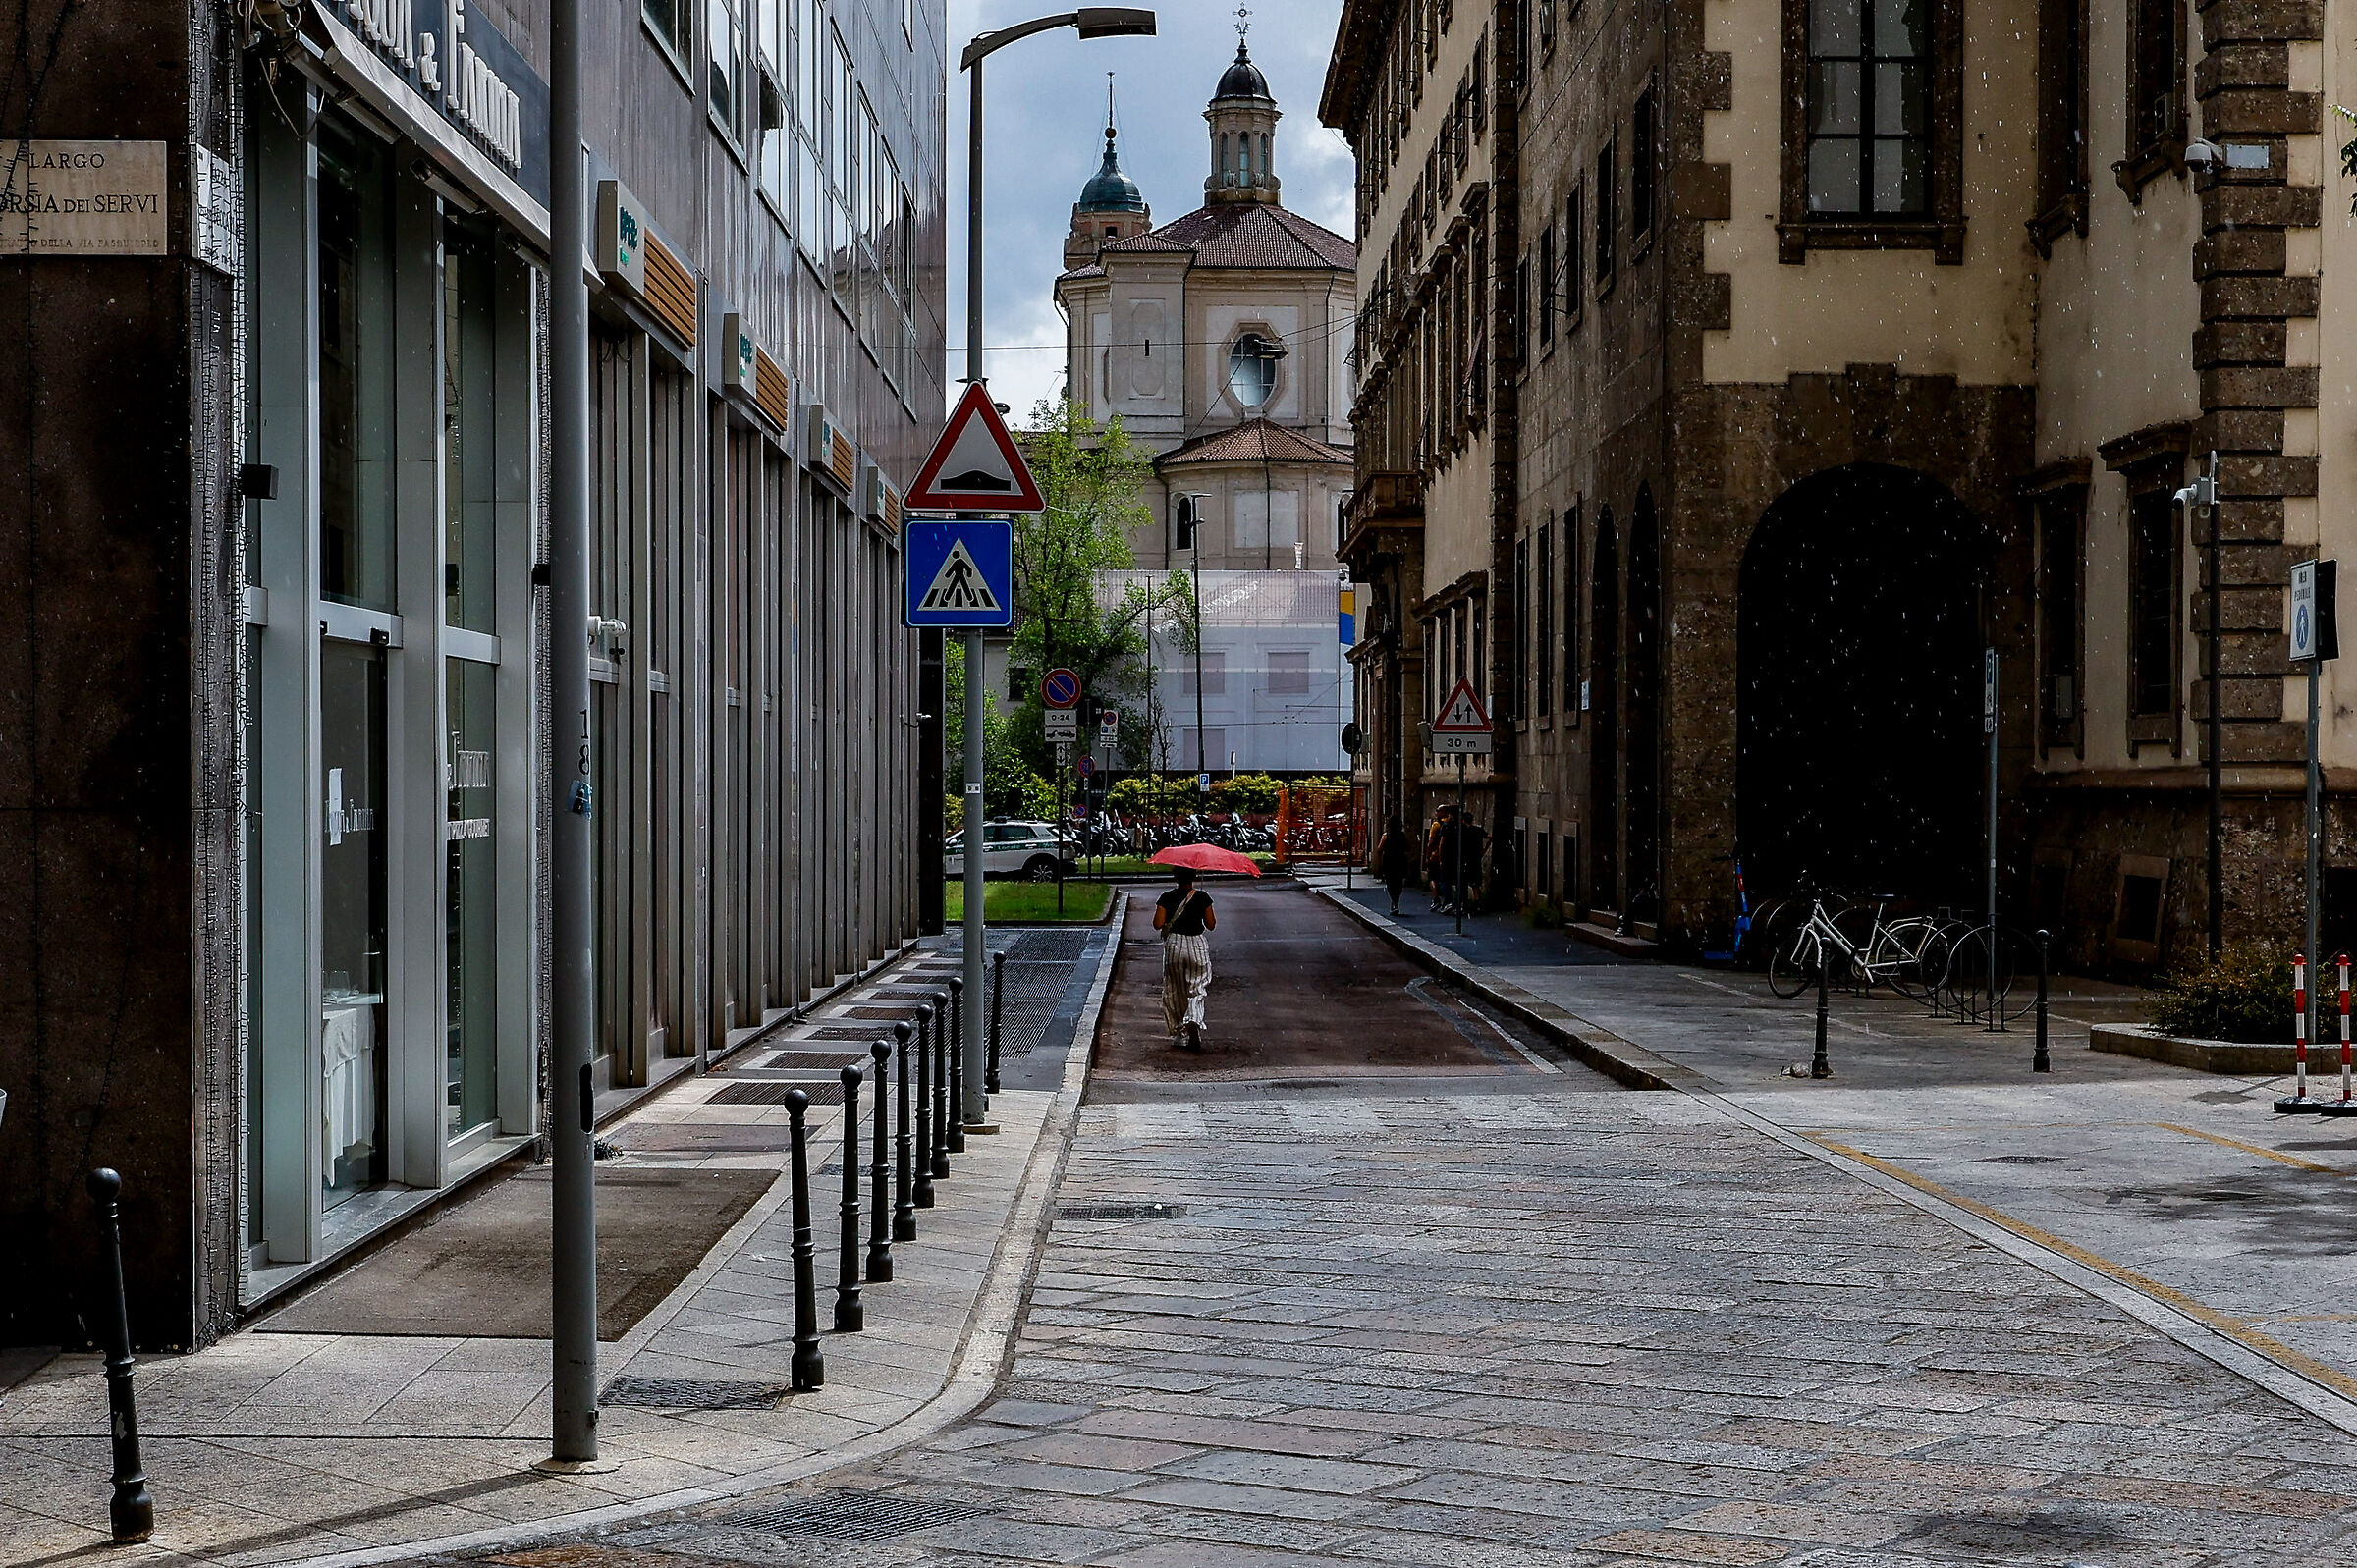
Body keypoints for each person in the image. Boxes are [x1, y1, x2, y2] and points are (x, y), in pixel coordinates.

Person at [1153, 865, 1218, 1050]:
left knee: (1174, 989)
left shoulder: (1166, 897)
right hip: (1197, 943)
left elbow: (1158, 924)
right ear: (1194, 877)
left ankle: (1179, 1033)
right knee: (1198, 985)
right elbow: (1211, 924)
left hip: (1174, 944)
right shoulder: (1203, 897)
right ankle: (1194, 1019)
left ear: (1175, 877)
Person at [1373, 815, 1416, 915]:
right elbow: (1408, 848)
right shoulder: (1402, 835)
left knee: (1390, 883)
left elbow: (1379, 849)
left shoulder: (1385, 836)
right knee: (1398, 883)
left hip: (1389, 861)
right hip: (1400, 860)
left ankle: (1394, 902)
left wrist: (1378, 862)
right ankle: (1396, 902)